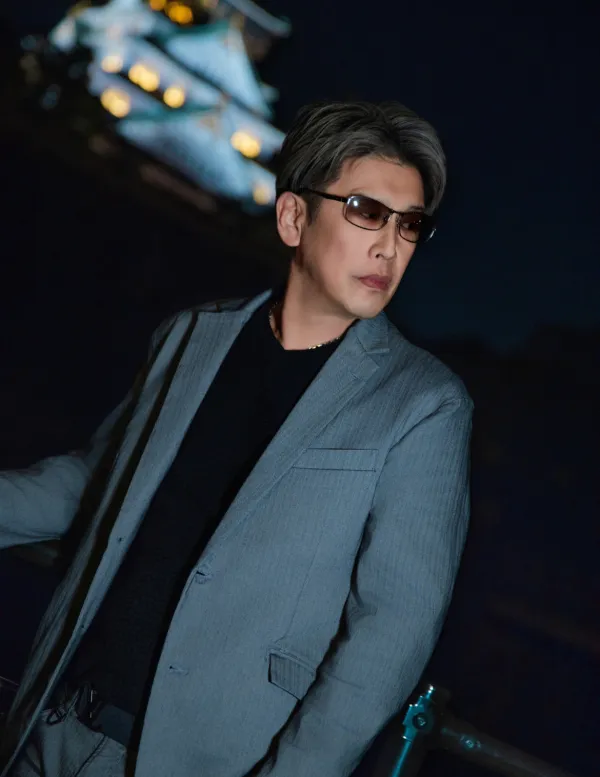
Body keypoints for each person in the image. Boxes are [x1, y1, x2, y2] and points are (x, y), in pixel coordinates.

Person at [0, 100, 472, 777]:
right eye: (367, 211)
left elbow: (392, 631)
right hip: (53, 723)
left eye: (410, 224)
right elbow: (96, 480)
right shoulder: (194, 334)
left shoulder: (423, 404)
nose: (390, 246)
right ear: (293, 217)